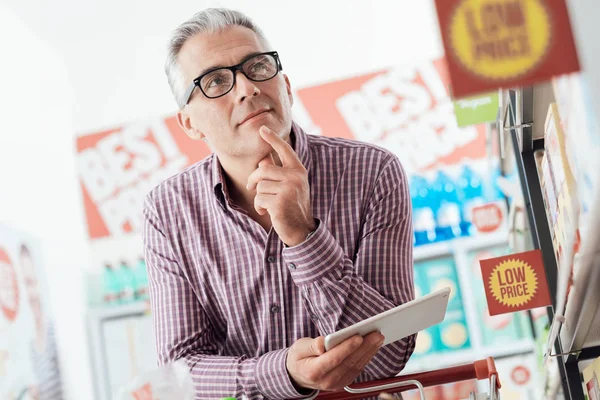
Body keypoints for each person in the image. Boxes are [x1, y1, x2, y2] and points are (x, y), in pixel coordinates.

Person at [143, 8, 415, 400]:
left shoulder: (373, 172)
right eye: (216, 81)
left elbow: (389, 355)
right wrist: (284, 372)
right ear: (189, 123)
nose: (247, 89)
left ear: (285, 87)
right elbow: (181, 374)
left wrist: (303, 236)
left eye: (257, 67)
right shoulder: (168, 212)